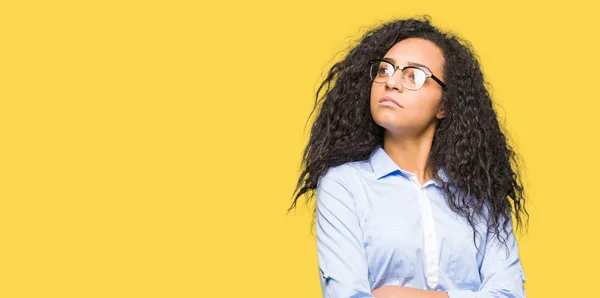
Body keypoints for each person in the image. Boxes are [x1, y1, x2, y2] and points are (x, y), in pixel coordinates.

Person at [289, 15, 529, 298]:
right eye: (384, 70)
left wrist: (403, 295)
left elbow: (510, 293)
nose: (391, 82)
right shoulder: (344, 186)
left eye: (413, 75)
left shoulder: (481, 195)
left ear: (445, 105)